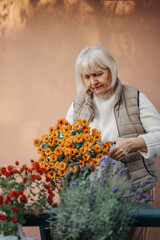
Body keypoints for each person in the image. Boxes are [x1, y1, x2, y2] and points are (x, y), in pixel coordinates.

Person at [66, 45, 160, 240]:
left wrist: (133, 143)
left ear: (111, 69)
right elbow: (64, 145)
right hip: (92, 193)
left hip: (134, 188)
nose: (93, 82)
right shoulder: (78, 105)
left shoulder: (135, 98)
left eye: (98, 74)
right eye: (87, 77)